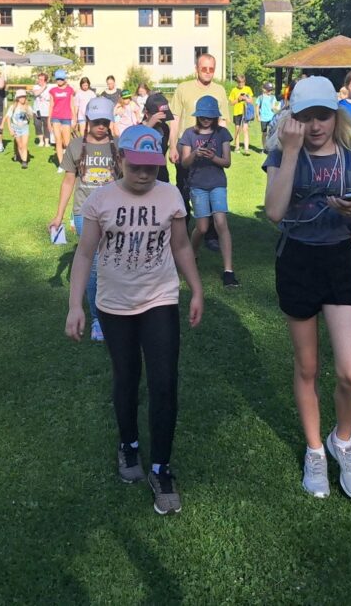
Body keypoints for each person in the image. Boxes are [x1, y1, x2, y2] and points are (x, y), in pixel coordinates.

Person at [66, 125, 204, 516]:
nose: (145, 175)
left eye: (152, 167)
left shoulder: (170, 194)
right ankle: (128, 444)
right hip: (115, 305)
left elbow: (180, 245)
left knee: (164, 382)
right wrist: (76, 305)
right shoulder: (101, 200)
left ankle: (161, 467)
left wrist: (196, 289)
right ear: (119, 160)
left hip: (159, 299)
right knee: (126, 377)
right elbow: (84, 255)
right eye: (137, 166)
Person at [262, 76, 351, 499]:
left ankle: (342, 440)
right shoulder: (281, 153)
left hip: (339, 260)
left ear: (336, 114)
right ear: (293, 119)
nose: (315, 126)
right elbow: (274, 211)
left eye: (323, 116)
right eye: (305, 117)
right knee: (307, 367)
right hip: (296, 260)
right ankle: (315, 450)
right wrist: (290, 151)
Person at [50, 97, 119, 341]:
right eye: (97, 121)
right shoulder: (76, 146)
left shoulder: (117, 145)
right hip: (84, 212)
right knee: (95, 262)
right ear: (87, 120)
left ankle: (117, 310)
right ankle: (98, 319)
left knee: (112, 262)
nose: (101, 126)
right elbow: (69, 181)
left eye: (105, 122)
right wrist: (59, 214)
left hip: (114, 213)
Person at [179, 97, 239, 287]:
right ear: (198, 116)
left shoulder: (222, 133)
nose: (206, 119)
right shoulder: (189, 134)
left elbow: (227, 162)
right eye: (203, 116)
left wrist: (213, 157)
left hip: (217, 183)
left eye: (210, 116)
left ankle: (228, 270)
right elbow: (184, 163)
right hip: (197, 184)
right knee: (202, 227)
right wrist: (195, 154)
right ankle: (192, 254)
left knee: (221, 222)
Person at [169, 53, 231, 228]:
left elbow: (223, 121)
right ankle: (182, 228)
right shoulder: (183, 88)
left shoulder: (219, 90)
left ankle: (210, 232)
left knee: (212, 189)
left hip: (211, 150)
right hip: (187, 147)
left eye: (211, 69)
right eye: (204, 68)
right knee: (183, 190)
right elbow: (174, 120)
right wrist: (172, 147)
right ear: (196, 69)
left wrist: (223, 147)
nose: (208, 72)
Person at [48, 69, 78, 172]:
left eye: (61, 79)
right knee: (58, 141)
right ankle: (61, 165)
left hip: (66, 118)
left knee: (67, 142)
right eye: (58, 79)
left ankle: (70, 162)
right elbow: (51, 105)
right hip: (56, 118)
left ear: (64, 79)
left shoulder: (70, 90)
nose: (59, 81)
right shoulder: (53, 91)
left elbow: (71, 104)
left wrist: (74, 118)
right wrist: (49, 120)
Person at [142, 92, 174, 183]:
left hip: (161, 176)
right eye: (158, 117)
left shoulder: (164, 128)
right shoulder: (138, 129)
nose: (162, 120)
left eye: (164, 117)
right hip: (144, 176)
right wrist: (149, 125)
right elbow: (135, 143)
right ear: (146, 113)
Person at [3, 89, 34, 168]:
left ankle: (24, 161)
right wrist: (10, 129)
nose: (22, 99)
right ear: (17, 98)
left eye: (24, 97)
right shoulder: (13, 107)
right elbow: (8, 118)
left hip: (25, 128)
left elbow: (31, 117)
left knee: (24, 145)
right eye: (20, 97)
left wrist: (27, 112)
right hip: (16, 128)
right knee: (20, 145)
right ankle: (19, 156)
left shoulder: (28, 107)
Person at [228, 73, 255, 155]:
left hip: (245, 112)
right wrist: (238, 99)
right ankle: (237, 147)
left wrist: (246, 99)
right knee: (237, 129)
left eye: (242, 82)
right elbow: (231, 103)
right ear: (237, 82)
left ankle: (246, 149)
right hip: (237, 112)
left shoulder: (248, 89)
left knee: (245, 129)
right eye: (239, 82)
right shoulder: (234, 90)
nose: (241, 84)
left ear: (245, 81)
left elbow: (251, 101)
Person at [32, 72, 51, 148]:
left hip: (47, 111)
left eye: (41, 79)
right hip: (37, 111)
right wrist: (44, 87)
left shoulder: (50, 87)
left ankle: (46, 142)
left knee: (47, 126)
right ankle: (41, 141)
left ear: (45, 80)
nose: (39, 80)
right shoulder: (35, 87)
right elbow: (36, 94)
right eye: (38, 79)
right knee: (37, 125)